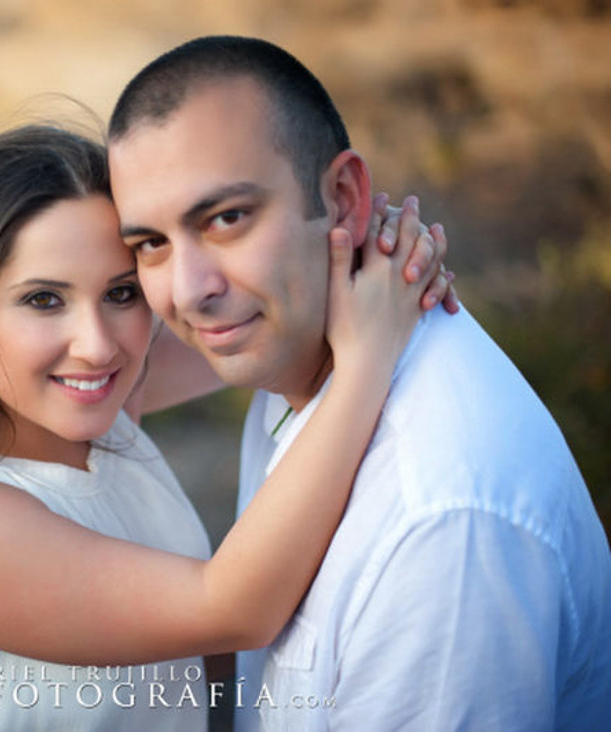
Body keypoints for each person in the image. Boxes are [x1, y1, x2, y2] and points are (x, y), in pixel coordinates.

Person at [0, 124, 451, 730]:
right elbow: (235, 611)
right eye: (44, 300)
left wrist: (380, 253)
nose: (97, 346)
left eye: (122, 293)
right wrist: (367, 359)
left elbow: (271, 319)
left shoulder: (95, 407)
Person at [106, 35, 611, 731]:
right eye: (150, 244)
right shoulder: (294, 344)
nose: (189, 290)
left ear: (343, 199)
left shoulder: (441, 522)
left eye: (226, 219)